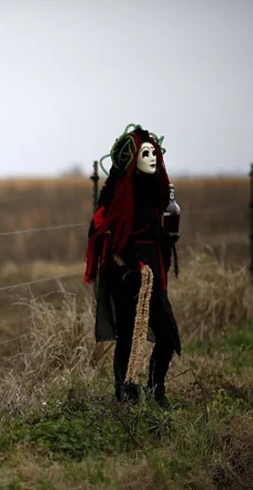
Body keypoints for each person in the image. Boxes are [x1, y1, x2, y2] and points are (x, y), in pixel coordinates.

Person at [84, 124, 181, 409]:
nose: (152, 157)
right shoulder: (119, 195)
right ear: (132, 159)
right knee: (127, 337)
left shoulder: (157, 193)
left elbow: (160, 234)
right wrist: (133, 263)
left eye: (154, 153)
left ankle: (156, 390)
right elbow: (106, 231)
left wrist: (169, 237)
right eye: (145, 153)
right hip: (127, 276)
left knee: (166, 337)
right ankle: (124, 395)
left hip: (154, 277)